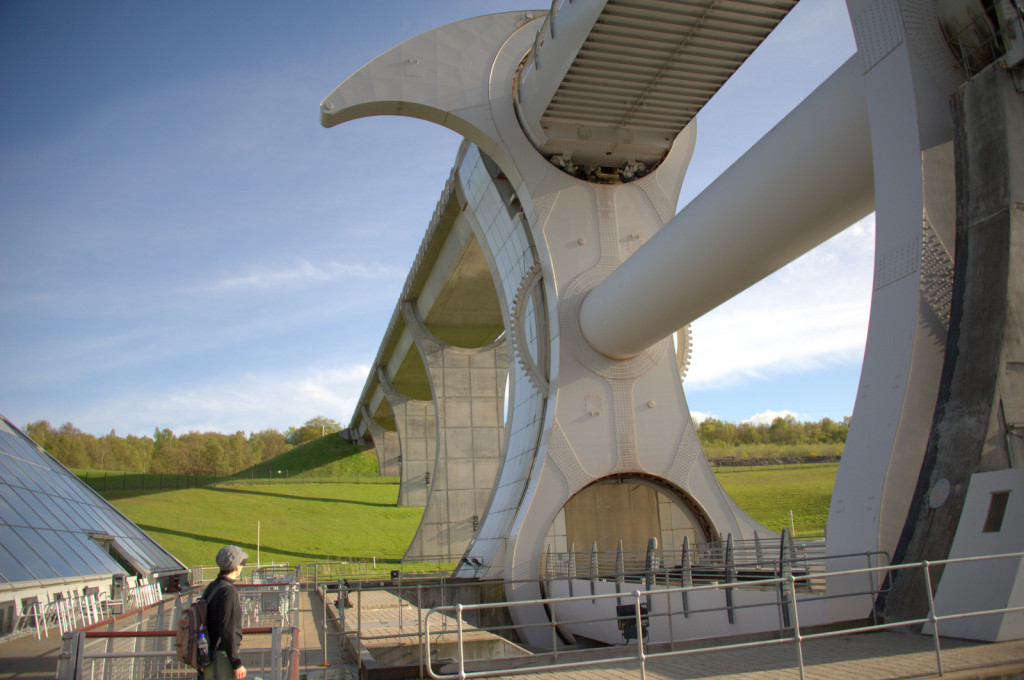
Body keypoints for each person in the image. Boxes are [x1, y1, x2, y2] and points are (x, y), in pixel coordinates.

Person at [203, 545, 248, 679]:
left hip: (209, 654)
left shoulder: (212, 587)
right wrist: (236, 663)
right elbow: (227, 629)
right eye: (242, 563)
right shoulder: (228, 591)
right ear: (236, 567)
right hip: (221, 657)